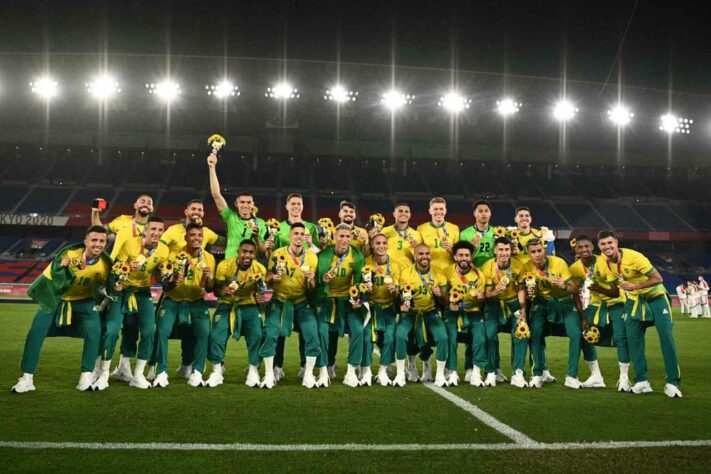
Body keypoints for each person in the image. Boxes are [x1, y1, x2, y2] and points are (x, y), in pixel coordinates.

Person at [12, 226, 114, 393]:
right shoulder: (69, 255)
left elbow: (108, 285)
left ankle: (86, 375)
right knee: (36, 332)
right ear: (85, 242)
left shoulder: (105, 265)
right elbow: (56, 276)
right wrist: (61, 268)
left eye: (102, 241)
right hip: (57, 299)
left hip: (84, 301)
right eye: (94, 240)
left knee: (95, 331)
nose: (98, 244)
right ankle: (27, 377)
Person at [596, 230, 682, 398]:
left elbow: (658, 278)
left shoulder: (634, 257)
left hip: (655, 296)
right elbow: (615, 289)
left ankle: (672, 382)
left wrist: (635, 286)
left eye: (609, 243)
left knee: (666, 337)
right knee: (633, 339)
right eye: (603, 244)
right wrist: (598, 288)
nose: (607, 247)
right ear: (599, 246)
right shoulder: (604, 263)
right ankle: (642, 380)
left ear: (616, 243)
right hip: (634, 301)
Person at [94, 216, 169, 391]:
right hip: (122, 292)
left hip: (143, 293)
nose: (157, 233)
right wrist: (126, 266)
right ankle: (103, 374)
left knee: (150, 331)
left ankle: (138, 375)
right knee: (112, 331)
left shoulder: (163, 250)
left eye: (160, 230)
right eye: (153, 229)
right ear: (146, 230)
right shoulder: (129, 244)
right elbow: (115, 267)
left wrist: (166, 275)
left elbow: (161, 273)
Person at [520, 239, 600, 389]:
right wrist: (532, 292)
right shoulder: (526, 267)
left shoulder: (559, 263)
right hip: (542, 303)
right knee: (535, 333)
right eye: (533, 252)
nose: (537, 254)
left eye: (539, 250)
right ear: (529, 253)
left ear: (544, 250)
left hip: (564, 302)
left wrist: (563, 285)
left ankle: (571, 376)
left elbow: (574, 289)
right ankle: (538, 374)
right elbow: (529, 292)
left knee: (576, 334)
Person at [259, 223, 321, 389]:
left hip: (301, 302)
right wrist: (274, 278)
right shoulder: (278, 254)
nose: (299, 237)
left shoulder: (312, 257)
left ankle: (308, 375)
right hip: (280, 300)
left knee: (312, 334)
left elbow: (312, 286)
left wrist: (311, 279)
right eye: (296, 233)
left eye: (302, 234)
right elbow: (267, 278)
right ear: (290, 236)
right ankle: (269, 374)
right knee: (271, 334)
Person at [152, 224, 215, 388]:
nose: (196, 238)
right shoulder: (173, 256)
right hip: (173, 300)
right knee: (161, 332)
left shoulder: (208, 258)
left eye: (199, 235)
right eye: (192, 235)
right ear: (186, 238)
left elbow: (209, 288)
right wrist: (172, 281)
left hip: (196, 302)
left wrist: (208, 278)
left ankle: (197, 372)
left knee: (204, 333)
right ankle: (161, 372)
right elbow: (165, 286)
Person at [569, 235, 628, 390]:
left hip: (616, 302)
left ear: (592, 247)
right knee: (584, 335)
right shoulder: (575, 268)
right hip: (596, 305)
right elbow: (575, 294)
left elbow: (615, 293)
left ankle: (624, 378)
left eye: (587, 246)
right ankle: (596, 376)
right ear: (576, 249)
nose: (584, 250)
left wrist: (599, 289)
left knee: (621, 338)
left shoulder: (604, 261)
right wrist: (582, 317)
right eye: (580, 247)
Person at [205, 240, 267, 388]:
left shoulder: (260, 269)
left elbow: (260, 291)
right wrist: (223, 291)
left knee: (257, 334)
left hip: (249, 305)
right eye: (244, 251)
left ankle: (253, 370)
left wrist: (260, 298)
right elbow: (216, 290)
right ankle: (217, 370)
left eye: (251, 252)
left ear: (255, 254)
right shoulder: (224, 266)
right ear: (238, 252)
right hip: (227, 304)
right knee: (216, 335)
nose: (247, 255)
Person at [316, 224, 367, 387]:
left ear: (351, 238)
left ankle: (351, 371)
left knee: (358, 330)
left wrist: (359, 297)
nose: (344, 239)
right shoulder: (324, 255)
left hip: (347, 301)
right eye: (341, 236)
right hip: (327, 300)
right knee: (322, 332)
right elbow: (315, 283)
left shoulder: (357, 256)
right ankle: (323, 370)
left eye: (347, 236)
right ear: (334, 237)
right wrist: (321, 280)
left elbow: (360, 283)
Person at [393, 244, 449, 387]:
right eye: (421, 254)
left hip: (431, 313)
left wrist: (440, 294)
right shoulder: (406, 273)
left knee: (442, 337)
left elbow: (446, 300)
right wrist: (402, 305)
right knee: (400, 335)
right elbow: (400, 297)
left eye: (427, 253)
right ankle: (400, 374)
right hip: (412, 314)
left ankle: (440, 375)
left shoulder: (438, 273)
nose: (424, 256)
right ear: (415, 255)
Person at [480, 237, 529, 388]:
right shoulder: (488, 266)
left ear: (510, 250)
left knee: (521, 333)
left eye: (507, 250)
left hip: (514, 304)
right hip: (493, 305)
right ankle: (491, 371)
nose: (504, 253)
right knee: (490, 336)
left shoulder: (518, 265)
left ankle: (518, 373)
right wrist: (495, 291)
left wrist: (522, 312)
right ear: (495, 250)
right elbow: (486, 294)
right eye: (500, 249)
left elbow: (521, 289)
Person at [363, 233, 405, 386]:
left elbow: (401, 293)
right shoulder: (365, 263)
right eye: (377, 243)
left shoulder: (396, 265)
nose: (381, 246)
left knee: (390, 338)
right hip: (371, 309)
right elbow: (357, 288)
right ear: (372, 246)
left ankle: (382, 371)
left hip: (388, 308)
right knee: (367, 338)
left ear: (387, 245)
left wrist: (396, 291)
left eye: (383, 243)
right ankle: (366, 370)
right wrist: (364, 290)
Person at [207, 153, 266, 257]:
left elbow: (262, 250)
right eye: (242, 202)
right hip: (230, 264)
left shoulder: (260, 223)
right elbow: (216, 194)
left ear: (253, 205)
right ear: (236, 204)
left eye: (248, 202)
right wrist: (212, 167)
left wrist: (256, 237)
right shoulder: (230, 216)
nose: (245, 205)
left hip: (250, 266)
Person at [443, 241, 485, 386]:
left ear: (471, 257)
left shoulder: (479, 275)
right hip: (453, 313)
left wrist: (481, 298)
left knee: (479, 337)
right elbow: (442, 295)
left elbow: (482, 300)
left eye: (467, 255)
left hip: (473, 312)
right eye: (460, 255)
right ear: (455, 257)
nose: (464, 258)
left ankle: (475, 371)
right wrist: (449, 302)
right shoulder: (447, 271)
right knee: (451, 337)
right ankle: (452, 371)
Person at [92, 194, 154, 259]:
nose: (146, 204)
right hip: (114, 266)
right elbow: (98, 231)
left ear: (152, 208)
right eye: (142, 202)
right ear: (135, 205)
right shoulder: (122, 219)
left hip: (138, 266)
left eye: (149, 203)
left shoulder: (154, 230)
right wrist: (95, 212)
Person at [381, 202, 423, 268]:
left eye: (406, 212)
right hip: (389, 270)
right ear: (394, 214)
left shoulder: (417, 234)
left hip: (408, 271)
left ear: (410, 215)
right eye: (400, 211)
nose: (403, 213)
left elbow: (420, 258)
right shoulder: (385, 231)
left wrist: (417, 249)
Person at [459, 200, 496, 269]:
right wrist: (470, 248)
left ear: (490, 213)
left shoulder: (497, 232)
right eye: (480, 211)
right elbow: (461, 257)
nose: (484, 214)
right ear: (474, 214)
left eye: (486, 211)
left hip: (493, 272)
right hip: (472, 271)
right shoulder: (465, 234)